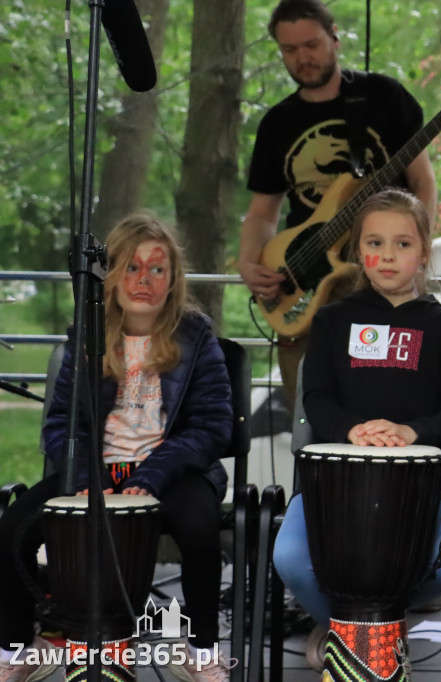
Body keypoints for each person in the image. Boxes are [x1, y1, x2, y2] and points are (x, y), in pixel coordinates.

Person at [0, 215, 234, 682]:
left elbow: (213, 426)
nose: (143, 280)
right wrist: (91, 479)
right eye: (130, 267)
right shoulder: (87, 336)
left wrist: (150, 476)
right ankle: (18, 645)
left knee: (200, 525)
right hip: (95, 471)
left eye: (157, 269)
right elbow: (62, 425)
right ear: (109, 277)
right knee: (11, 530)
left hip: (172, 473)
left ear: (173, 279)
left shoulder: (195, 337)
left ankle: (202, 645)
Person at [270, 189, 441, 672]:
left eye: (403, 244)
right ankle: (352, 627)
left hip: (425, 484)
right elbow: (316, 399)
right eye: (375, 243)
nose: (387, 255)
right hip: (337, 484)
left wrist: (410, 432)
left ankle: (378, 624)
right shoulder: (333, 320)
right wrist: (353, 430)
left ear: (424, 251)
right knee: (293, 558)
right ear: (358, 250)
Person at [237, 0, 437, 411]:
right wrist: (247, 262)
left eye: (311, 44)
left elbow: (422, 183)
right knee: (312, 410)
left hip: (383, 271)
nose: (302, 58)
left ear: (335, 40)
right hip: (305, 281)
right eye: (289, 50)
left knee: (391, 401)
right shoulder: (276, 123)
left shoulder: (382, 96)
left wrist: (419, 251)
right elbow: (262, 212)